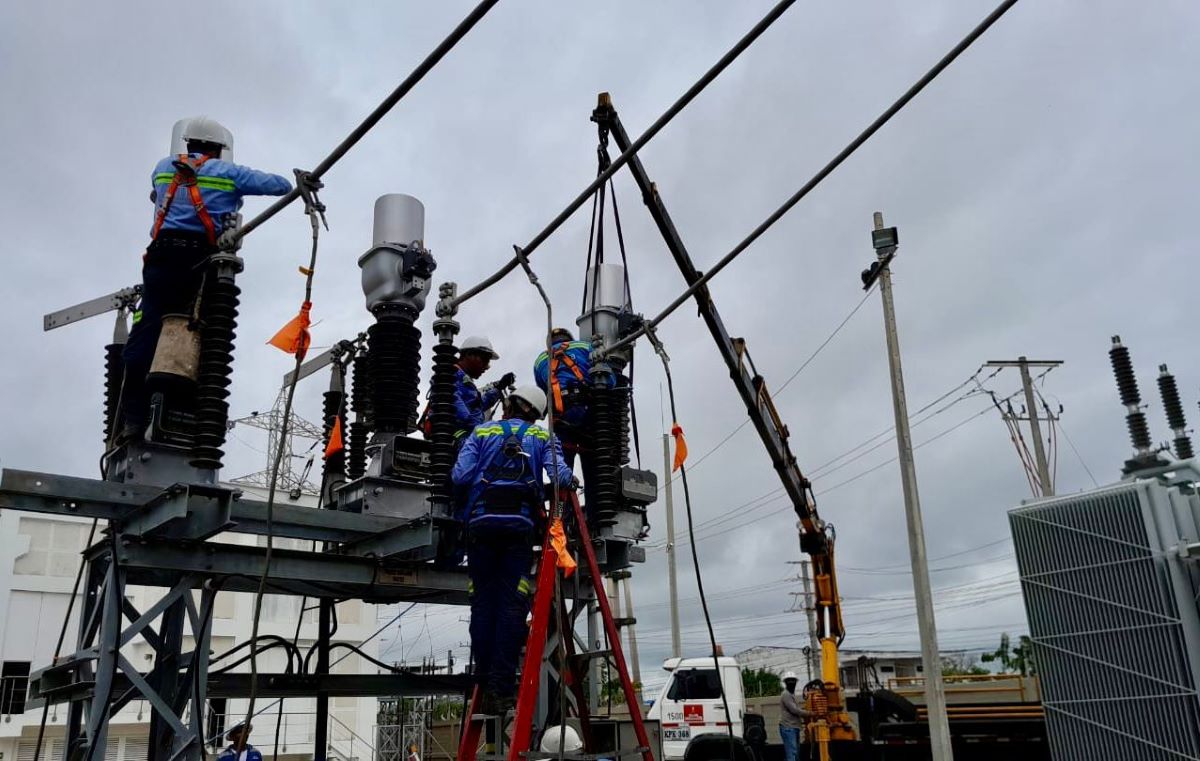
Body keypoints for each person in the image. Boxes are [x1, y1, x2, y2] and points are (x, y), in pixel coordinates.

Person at [118, 116, 291, 443]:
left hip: (160, 258)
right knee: (205, 333)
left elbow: (156, 196)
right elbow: (280, 185)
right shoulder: (227, 173)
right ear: (216, 148)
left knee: (147, 334)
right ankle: (191, 414)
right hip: (198, 261)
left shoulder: (161, 167)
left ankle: (133, 421)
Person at [451, 385, 574, 714]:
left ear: (508, 405)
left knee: (482, 605)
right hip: (518, 531)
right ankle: (500, 689)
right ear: (535, 413)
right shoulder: (541, 437)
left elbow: (460, 477)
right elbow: (561, 475)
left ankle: (482, 677)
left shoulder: (481, 431)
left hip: (479, 529)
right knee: (511, 606)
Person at [454, 335, 515, 445]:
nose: (487, 366)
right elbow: (466, 418)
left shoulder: (463, 381)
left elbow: (477, 407)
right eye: (485, 360)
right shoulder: (451, 377)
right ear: (469, 355)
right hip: (455, 444)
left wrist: (499, 388)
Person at [779, 671, 810, 761]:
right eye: (789, 681)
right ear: (785, 683)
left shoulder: (791, 694)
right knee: (792, 753)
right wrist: (809, 713)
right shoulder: (786, 695)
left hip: (793, 727)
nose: (792, 683)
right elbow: (794, 710)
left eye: (793, 681)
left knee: (795, 753)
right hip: (788, 728)